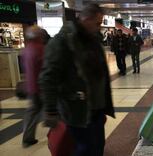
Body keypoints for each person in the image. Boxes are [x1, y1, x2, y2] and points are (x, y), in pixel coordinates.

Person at [39, 4, 115, 155]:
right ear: (86, 19)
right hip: (77, 109)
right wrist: (50, 110)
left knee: (98, 146)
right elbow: (47, 77)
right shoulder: (62, 41)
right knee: (85, 148)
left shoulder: (93, 39)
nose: (99, 27)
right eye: (98, 23)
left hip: (97, 109)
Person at [21, 26, 49, 148]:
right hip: (42, 88)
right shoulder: (41, 49)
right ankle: (58, 138)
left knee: (32, 113)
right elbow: (47, 68)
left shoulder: (26, 49)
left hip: (31, 86)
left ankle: (27, 138)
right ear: (39, 36)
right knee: (55, 111)